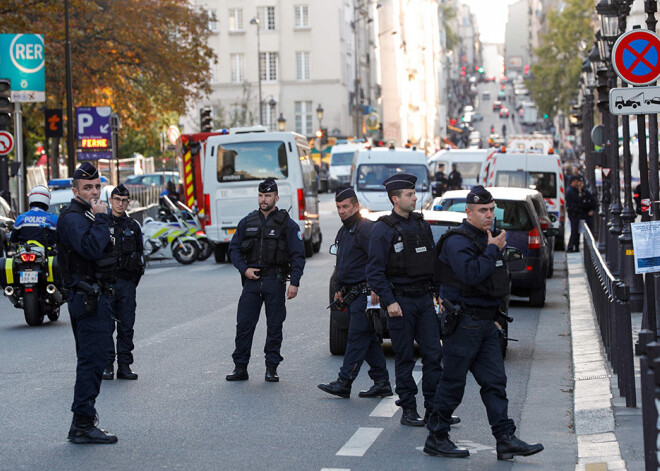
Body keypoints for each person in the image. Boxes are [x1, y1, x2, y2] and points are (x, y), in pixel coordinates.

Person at [424, 185, 543, 460]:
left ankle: (505, 438)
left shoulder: (488, 238)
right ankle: (437, 436)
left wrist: (497, 318)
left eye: (491, 210)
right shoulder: (458, 241)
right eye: (482, 211)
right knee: (453, 383)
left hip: (486, 323)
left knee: (495, 383)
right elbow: (471, 274)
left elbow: (496, 282)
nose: (489, 215)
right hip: (464, 322)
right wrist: (491, 250)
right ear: (468, 212)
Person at [366, 174, 458, 427]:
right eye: (409, 194)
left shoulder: (421, 225)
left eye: (414, 193)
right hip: (400, 303)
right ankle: (408, 408)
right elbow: (374, 271)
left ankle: (434, 409)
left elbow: (433, 263)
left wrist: (438, 292)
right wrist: (389, 301)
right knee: (405, 357)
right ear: (395, 199)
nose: (415, 197)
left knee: (433, 354)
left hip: (424, 299)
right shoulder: (382, 229)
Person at [56, 162, 118, 444]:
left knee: (94, 360)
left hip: (96, 295)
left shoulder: (88, 214)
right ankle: (81, 423)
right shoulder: (74, 217)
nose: (94, 192)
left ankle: (83, 421)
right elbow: (92, 249)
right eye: (87, 188)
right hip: (86, 298)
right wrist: (103, 219)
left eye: (97, 187)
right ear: (75, 190)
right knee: (91, 362)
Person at [226, 178, 305, 382]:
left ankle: (271, 367)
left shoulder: (287, 224)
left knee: (274, 326)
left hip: (274, 280)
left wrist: (294, 282)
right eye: (261, 195)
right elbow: (233, 249)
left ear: (276, 198)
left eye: (268, 196)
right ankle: (240, 367)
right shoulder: (247, 222)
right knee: (243, 325)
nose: (263, 199)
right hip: (252, 281)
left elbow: (298, 255)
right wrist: (244, 270)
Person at [318, 186, 392, 399]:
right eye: (339, 207)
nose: (342, 211)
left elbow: (378, 261)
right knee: (367, 340)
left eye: (346, 207)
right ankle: (382, 382)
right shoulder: (344, 230)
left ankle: (344, 382)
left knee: (356, 336)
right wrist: (339, 289)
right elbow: (343, 263)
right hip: (351, 294)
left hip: (366, 294)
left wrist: (376, 287)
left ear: (356, 206)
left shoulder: (366, 229)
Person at [103, 184, 145, 381]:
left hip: (127, 283)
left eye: (124, 200)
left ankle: (124, 365)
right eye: (117, 200)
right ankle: (107, 365)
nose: (120, 204)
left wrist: (131, 282)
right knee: (106, 326)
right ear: (111, 200)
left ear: (128, 202)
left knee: (126, 326)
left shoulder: (133, 227)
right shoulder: (101, 224)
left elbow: (140, 257)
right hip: (106, 283)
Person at [566, 176, 581, 252]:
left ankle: (574, 246)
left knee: (575, 231)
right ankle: (570, 246)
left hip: (574, 213)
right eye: (576, 181)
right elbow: (577, 200)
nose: (577, 183)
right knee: (574, 230)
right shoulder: (571, 191)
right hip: (573, 213)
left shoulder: (573, 190)